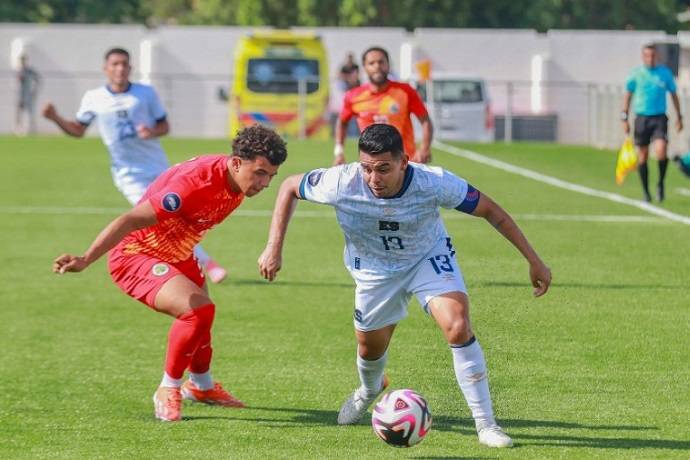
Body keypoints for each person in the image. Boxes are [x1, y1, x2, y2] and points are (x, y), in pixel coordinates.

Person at [259, 124, 551, 448]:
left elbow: (491, 211)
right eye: (367, 168)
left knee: (457, 325)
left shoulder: (434, 182)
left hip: (426, 257)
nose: (374, 178)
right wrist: (274, 246)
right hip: (373, 272)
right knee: (370, 350)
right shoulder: (341, 181)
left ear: (404, 162)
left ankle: (486, 425)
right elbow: (288, 186)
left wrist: (533, 260)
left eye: (383, 169)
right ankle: (369, 390)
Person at [53, 124, 287, 422]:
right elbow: (130, 219)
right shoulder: (194, 184)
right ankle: (168, 387)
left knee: (203, 318)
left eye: (271, 176)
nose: (265, 183)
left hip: (178, 252)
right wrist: (86, 259)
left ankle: (201, 386)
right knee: (197, 312)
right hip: (137, 254)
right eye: (261, 173)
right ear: (237, 162)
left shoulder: (236, 178)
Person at [42, 47, 228, 283]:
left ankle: (185, 263)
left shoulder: (145, 94)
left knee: (179, 217)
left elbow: (165, 126)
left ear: (130, 68)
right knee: (161, 219)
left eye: (124, 64)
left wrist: (151, 131)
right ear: (105, 68)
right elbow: (78, 130)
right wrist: (55, 118)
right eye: (115, 64)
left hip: (158, 168)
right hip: (128, 175)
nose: (120, 68)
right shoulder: (94, 98)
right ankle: (208, 265)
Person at [333, 47, 433, 166]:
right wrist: (339, 152)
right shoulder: (353, 96)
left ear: (388, 65)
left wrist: (424, 148)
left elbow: (425, 120)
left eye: (381, 62)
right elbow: (342, 122)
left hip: (405, 163)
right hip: (371, 167)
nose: (377, 66)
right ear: (364, 67)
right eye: (371, 63)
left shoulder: (405, 92)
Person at [621, 43, 683, 203]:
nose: (650, 58)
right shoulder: (636, 74)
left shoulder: (665, 73)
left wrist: (679, 116)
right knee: (643, 156)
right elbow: (628, 95)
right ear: (643, 57)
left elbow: (674, 95)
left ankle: (661, 183)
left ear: (658, 56)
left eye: (653, 55)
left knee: (661, 150)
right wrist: (624, 117)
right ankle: (646, 192)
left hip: (659, 118)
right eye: (647, 55)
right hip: (642, 118)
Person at [15, 54, 41, 136]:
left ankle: (31, 130)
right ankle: (19, 130)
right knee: (19, 113)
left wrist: (34, 91)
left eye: (24, 60)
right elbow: (17, 84)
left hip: (28, 96)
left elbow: (38, 79)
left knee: (30, 113)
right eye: (21, 60)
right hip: (20, 96)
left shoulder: (29, 71)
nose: (22, 62)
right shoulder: (19, 70)